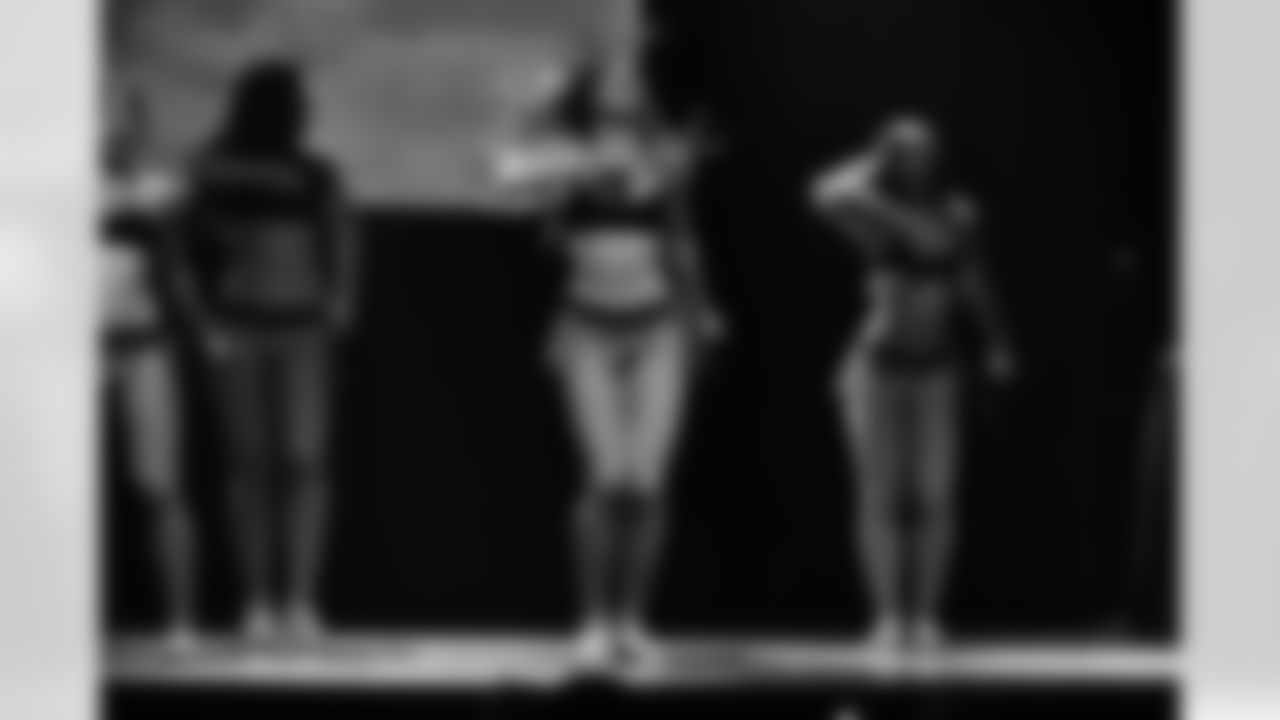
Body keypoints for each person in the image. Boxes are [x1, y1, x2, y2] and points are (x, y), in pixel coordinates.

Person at [492, 56, 724, 669]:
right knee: (603, 478)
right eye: (609, 104)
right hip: (587, 329)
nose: (622, 111)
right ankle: (594, 621)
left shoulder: (664, 166)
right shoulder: (566, 166)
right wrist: (543, 118)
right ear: (591, 111)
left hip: (656, 329)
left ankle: (633, 620)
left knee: (646, 483)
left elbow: (683, 243)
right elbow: (507, 176)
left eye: (632, 101)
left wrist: (702, 314)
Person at [168, 60, 361, 641]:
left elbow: (343, 235)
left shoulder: (316, 171)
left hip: (302, 328)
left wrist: (341, 301)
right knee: (249, 464)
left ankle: (301, 600)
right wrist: (202, 323)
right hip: (238, 325)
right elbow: (177, 250)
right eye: (296, 100)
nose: (305, 111)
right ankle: (257, 600)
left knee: (305, 461)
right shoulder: (210, 167)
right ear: (269, 104)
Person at [810, 116, 1017, 649]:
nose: (917, 160)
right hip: (877, 367)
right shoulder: (874, 216)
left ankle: (925, 615)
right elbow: (822, 192)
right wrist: (872, 158)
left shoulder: (957, 215)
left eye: (925, 150)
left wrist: (996, 341)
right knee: (878, 494)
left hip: (937, 369)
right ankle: (886, 615)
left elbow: (973, 281)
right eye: (903, 151)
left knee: (934, 495)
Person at [102, 88, 198, 651]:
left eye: (124, 121)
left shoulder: (159, 191)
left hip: (144, 346)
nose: (111, 129)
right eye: (102, 117)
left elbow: (177, 266)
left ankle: (180, 622)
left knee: (162, 485)